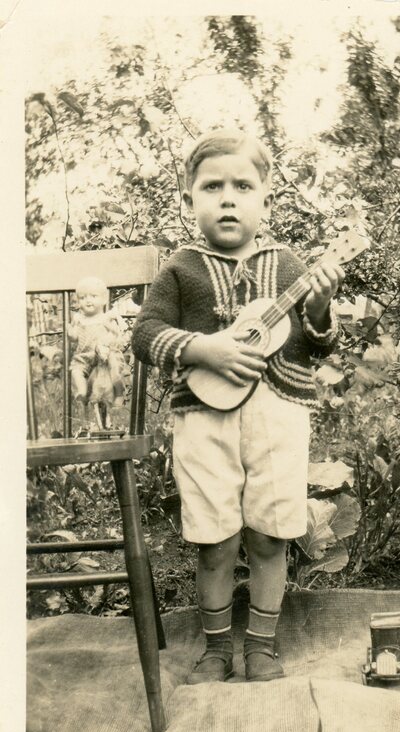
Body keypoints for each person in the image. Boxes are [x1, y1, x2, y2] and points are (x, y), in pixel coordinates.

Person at [132, 129, 345, 684]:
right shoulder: (181, 268)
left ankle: (262, 646)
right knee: (215, 539)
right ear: (189, 200)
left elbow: (319, 344)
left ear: (266, 200)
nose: (228, 199)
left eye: (243, 187)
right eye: (213, 187)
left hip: (279, 417)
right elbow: (145, 333)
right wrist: (203, 348)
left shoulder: (289, 265)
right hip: (204, 421)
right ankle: (215, 648)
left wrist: (318, 308)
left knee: (271, 534)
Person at [68, 276, 125, 431]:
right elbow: (73, 338)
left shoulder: (105, 318)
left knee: (114, 372)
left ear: (104, 299)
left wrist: (112, 335)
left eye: (93, 296)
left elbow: (117, 335)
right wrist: (70, 332)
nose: (88, 300)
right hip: (83, 357)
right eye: (82, 297)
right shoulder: (79, 319)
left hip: (103, 357)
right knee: (76, 371)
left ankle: (119, 393)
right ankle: (82, 391)